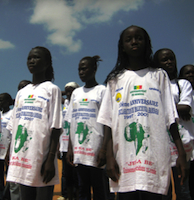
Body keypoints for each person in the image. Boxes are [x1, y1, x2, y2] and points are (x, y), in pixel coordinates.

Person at [97, 25, 188, 200]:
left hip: (154, 157)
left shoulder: (159, 75)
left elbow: (170, 117)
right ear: (122, 46)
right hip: (123, 159)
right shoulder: (115, 80)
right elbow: (108, 122)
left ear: (147, 44)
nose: (134, 42)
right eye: (129, 39)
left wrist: (181, 153)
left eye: (139, 38)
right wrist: (108, 155)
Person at [6, 46, 62, 200]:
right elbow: (14, 126)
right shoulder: (21, 93)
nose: (31, 61)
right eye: (29, 58)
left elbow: (56, 127)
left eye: (36, 57)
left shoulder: (52, 89)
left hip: (41, 158)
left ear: (47, 63)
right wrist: (10, 154)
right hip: (21, 158)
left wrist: (50, 159)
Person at [153, 48, 193, 200]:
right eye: (164, 60)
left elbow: (186, 107)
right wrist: (176, 108)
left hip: (181, 144)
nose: (169, 62)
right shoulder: (153, 85)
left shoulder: (182, 84)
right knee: (164, 191)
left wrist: (162, 106)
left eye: (171, 59)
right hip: (160, 143)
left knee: (183, 189)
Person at [66, 55, 107, 200]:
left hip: (95, 148)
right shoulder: (76, 93)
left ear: (94, 69)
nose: (81, 72)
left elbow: (107, 122)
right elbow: (71, 121)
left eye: (84, 68)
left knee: (99, 189)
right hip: (79, 150)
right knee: (82, 188)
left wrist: (104, 149)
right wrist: (70, 147)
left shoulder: (102, 90)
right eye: (79, 69)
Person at [58, 82, 79, 200]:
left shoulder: (78, 101)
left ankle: (77, 195)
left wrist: (73, 91)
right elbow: (57, 95)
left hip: (76, 145)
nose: (68, 93)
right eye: (67, 91)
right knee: (66, 174)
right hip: (65, 144)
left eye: (71, 90)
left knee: (76, 174)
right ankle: (66, 195)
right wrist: (65, 92)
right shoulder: (65, 102)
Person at [179, 64, 194, 200]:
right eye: (187, 73)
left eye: (193, 73)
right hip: (187, 145)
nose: (191, 75)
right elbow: (183, 108)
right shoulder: (180, 91)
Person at [0, 93, 13, 200]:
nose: (0, 102)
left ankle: (7, 197)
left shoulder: (12, 114)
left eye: (2, 100)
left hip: (8, 151)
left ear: (8, 102)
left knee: (9, 176)